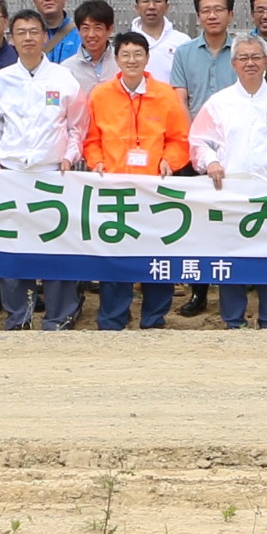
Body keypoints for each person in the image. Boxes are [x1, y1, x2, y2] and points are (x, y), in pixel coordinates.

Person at [192, 34, 267, 331]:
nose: (250, 63)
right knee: (231, 261)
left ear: (265, 61)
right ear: (233, 64)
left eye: (256, 57)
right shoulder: (219, 103)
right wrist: (211, 161)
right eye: (243, 58)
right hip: (229, 197)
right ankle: (233, 322)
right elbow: (198, 142)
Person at [0, 24, 87, 331]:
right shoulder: (1, 80)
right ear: (11, 39)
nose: (28, 38)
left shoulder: (63, 78)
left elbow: (77, 124)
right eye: (21, 32)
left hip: (52, 171)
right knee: (13, 247)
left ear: (43, 38)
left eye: (34, 32)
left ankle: (59, 316)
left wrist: (71, 155)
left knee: (57, 246)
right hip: (12, 172)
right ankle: (19, 317)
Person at [83, 33, 192, 330]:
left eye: (138, 54)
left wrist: (171, 160)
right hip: (115, 191)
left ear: (147, 58)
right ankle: (112, 319)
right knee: (116, 256)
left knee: (157, 256)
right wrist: (97, 161)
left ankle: (154, 319)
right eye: (126, 54)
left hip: (155, 190)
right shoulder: (100, 94)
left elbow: (179, 139)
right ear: (116, 59)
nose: (132, 60)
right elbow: (91, 139)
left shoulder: (165, 94)